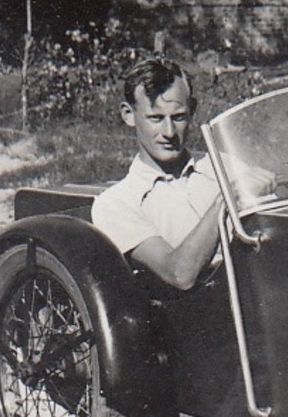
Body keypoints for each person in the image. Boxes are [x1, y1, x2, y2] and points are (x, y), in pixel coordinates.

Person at [91, 56, 224, 292]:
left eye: (179, 117)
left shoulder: (220, 164)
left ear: (192, 110)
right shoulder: (115, 203)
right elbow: (180, 274)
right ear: (128, 115)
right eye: (156, 118)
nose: (169, 132)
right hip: (195, 318)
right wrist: (226, 201)